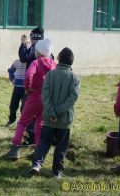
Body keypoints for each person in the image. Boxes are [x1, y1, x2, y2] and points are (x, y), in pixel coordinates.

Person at [29, 47, 80, 179]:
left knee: (44, 142)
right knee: (61, 147)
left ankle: (36, 164)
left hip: (48, 118)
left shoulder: (50, 74)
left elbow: (45, 95)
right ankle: (57, 171)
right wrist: (58, 112)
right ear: (72, 62)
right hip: (64, 120)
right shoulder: (75, 78)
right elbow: (72, 99)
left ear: (58, 59)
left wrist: (52, 112)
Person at [4, 38, 56, 160]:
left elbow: (28, 75)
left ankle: (15, 149)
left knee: (23, 122)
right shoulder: (53, 64)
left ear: (38, 52)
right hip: (46, 100)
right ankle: (38, 151)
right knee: (40, 124)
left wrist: (27, 88)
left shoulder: (35, 63)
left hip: (34, 97)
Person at [5, 57, 27, 127]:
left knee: (24, 107)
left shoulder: (31, 62)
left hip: (26, 89)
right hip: (17, 87)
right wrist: (12, 79)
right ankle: (12, 120)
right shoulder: (16, 62)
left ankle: (23, 122)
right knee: (13, 105)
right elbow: (10, 70)